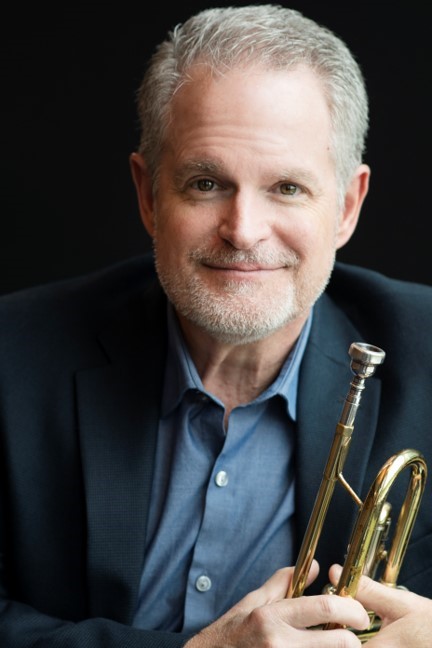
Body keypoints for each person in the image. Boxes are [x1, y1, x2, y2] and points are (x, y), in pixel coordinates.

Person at [1, 4, 432, 646]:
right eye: (206, 183)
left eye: (287, 188)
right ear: (149, 197)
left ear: (346, 207)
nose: (244, 231)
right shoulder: (13, 354)